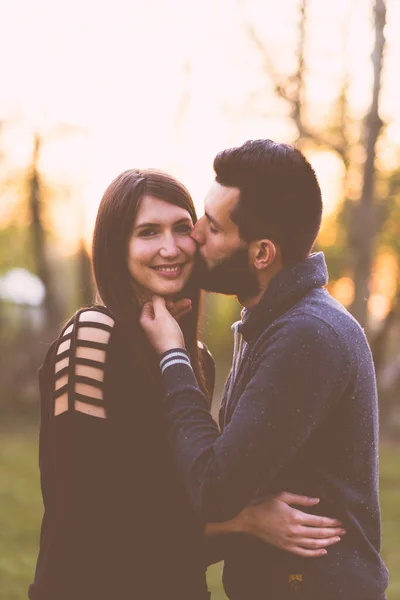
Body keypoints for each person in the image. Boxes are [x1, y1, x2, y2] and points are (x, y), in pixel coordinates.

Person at [29, 168, 342, 600]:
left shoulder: (193, 360)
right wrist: (243, 520)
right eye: (147, 232)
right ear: (115, 246)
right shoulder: (91, 336)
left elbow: (183, 530)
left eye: (181, 228)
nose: (170, 247)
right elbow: (87, 518)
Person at [140, 140, 389, 600]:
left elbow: (214, 487)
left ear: (261, 254)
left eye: (212, 228)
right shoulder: (274, 322)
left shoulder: (307, 334)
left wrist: (173, 356)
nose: (193, 235)